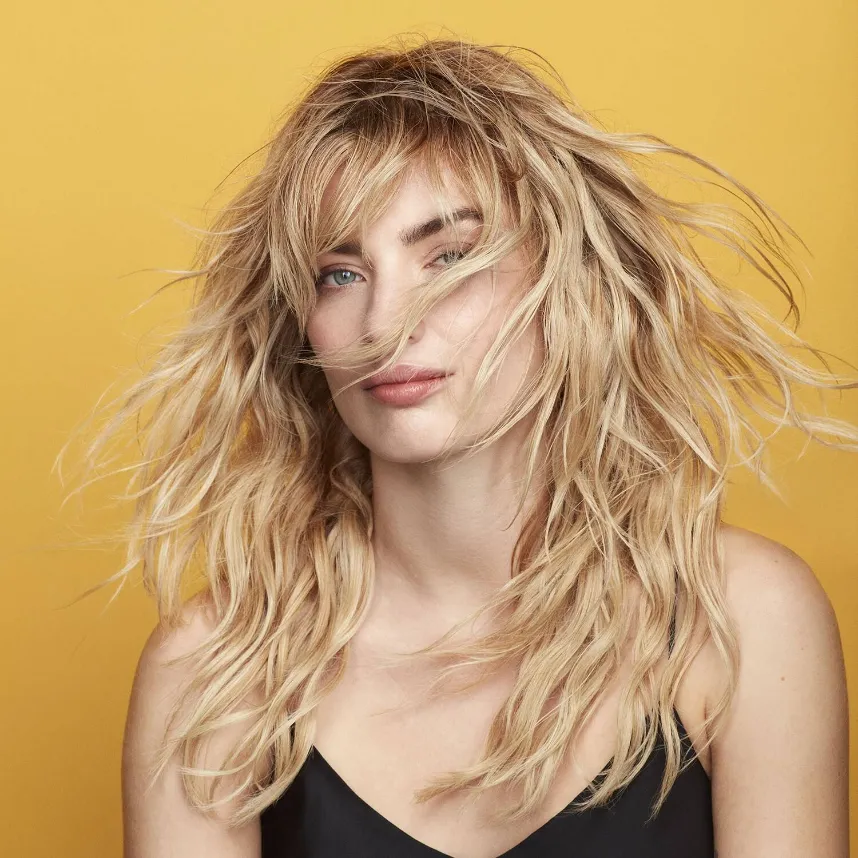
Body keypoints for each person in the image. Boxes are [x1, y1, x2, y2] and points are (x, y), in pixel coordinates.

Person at [86, 35, 853, 857]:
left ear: (568, 286)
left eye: (449, 258)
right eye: (340, 273)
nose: (384, 324)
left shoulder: (738, 618)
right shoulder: (214, 668)